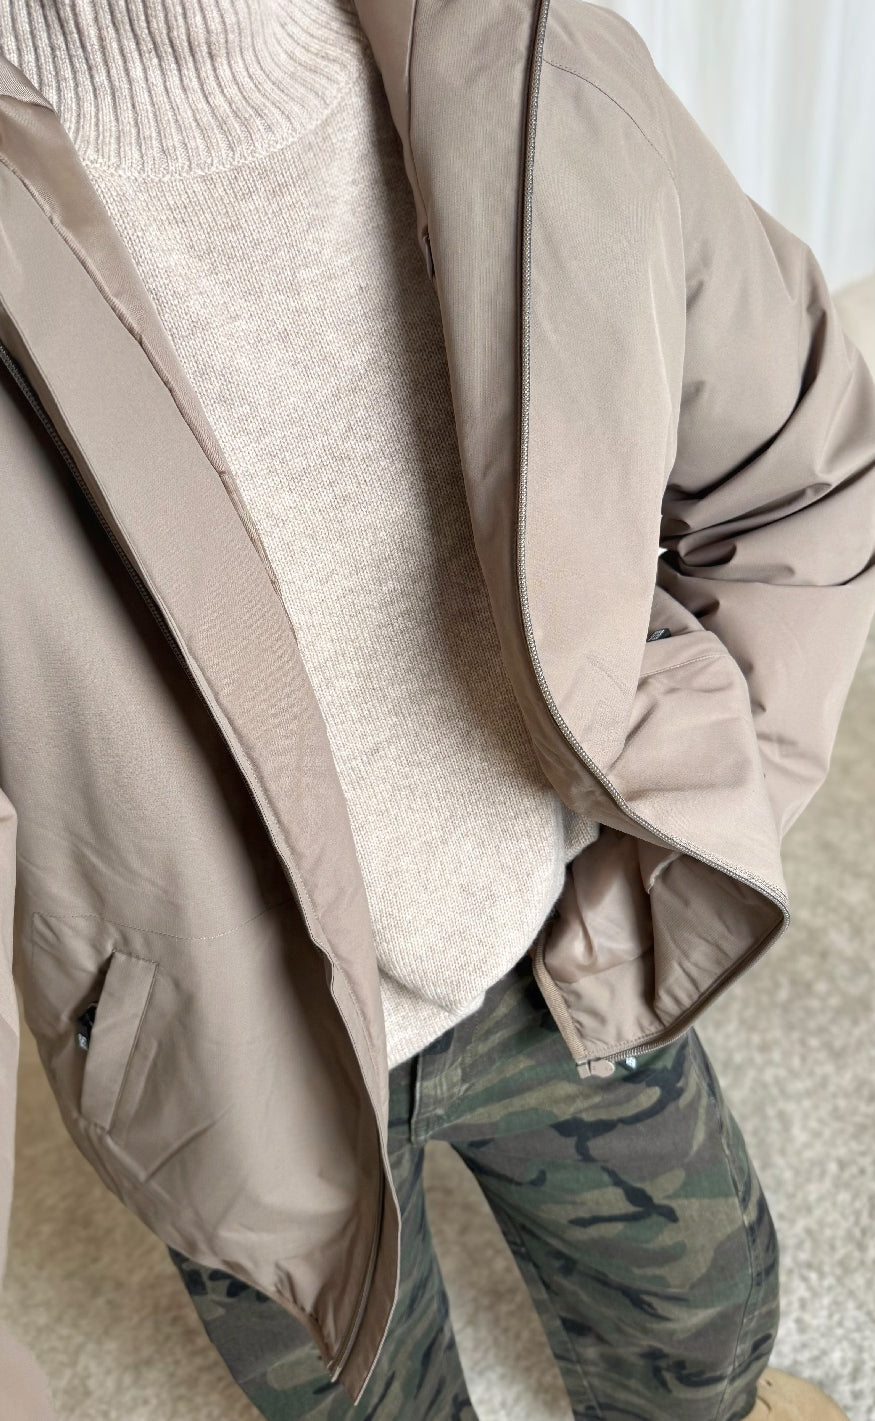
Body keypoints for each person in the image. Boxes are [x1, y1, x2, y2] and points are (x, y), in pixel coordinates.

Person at [0, 1, 872, 1418]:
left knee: (706, 1332)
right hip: (235, 1075)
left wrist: (705, 795)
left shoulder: (532, 57)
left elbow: (802, 466)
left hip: (564, 929)